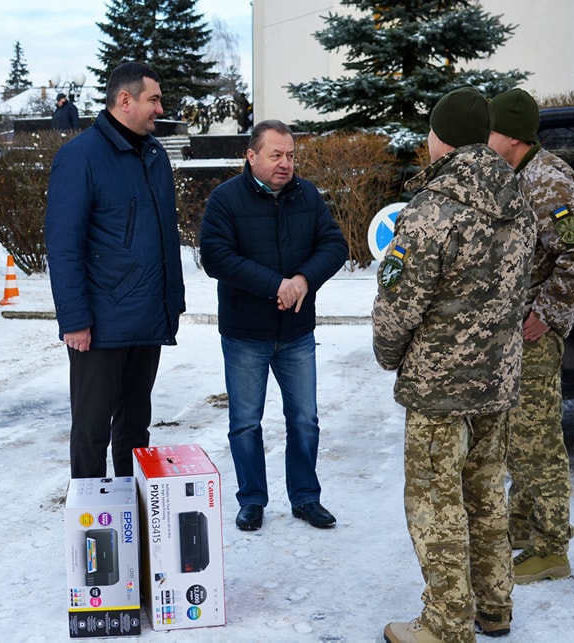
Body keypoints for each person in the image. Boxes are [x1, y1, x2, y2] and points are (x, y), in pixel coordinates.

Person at [373, 87, 536, 643]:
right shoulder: (520, 201)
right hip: (498, 380)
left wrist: (388, 356)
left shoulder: (431, 209)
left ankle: (445, 624)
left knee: (436, 502)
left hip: (438, 387)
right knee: (486, 494)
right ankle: (494, 607)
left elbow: (398, 306)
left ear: (440, 137)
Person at [200, 119, 349, 532]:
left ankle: (305, 498)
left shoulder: (307, 195)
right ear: (251, 156)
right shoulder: (225, 199)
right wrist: (275, 286)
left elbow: (335, 245)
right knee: (246, 422)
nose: (285, 163)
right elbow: (216, 257)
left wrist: (301, 280)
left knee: (305, 420)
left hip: (297, 333)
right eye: (276, 155)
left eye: (291, 155)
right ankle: (251, 499)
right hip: (246, 334)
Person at [488, 88, 574, 585]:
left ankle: (552, 547)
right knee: (519, 437)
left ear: (511, 136)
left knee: (538, 444)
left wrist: (547, 312)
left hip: (532, 338)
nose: (484, 139)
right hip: (514, 337)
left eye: (490, 130)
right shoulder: (520, 173)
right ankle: (521, 526)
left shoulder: (544, 181)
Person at [44, 62, 185, 478]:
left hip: (147, 318)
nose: (160, 108)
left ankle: (134, 519)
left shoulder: (155, 156)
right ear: (125, 100)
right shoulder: (79, 156)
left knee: (135, 431)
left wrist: (171, 302)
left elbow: (163, 239)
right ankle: (90, 529)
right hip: (99, 326)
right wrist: (74, 319)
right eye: (154, 99)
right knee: (91, 432)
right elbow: (64, 244)